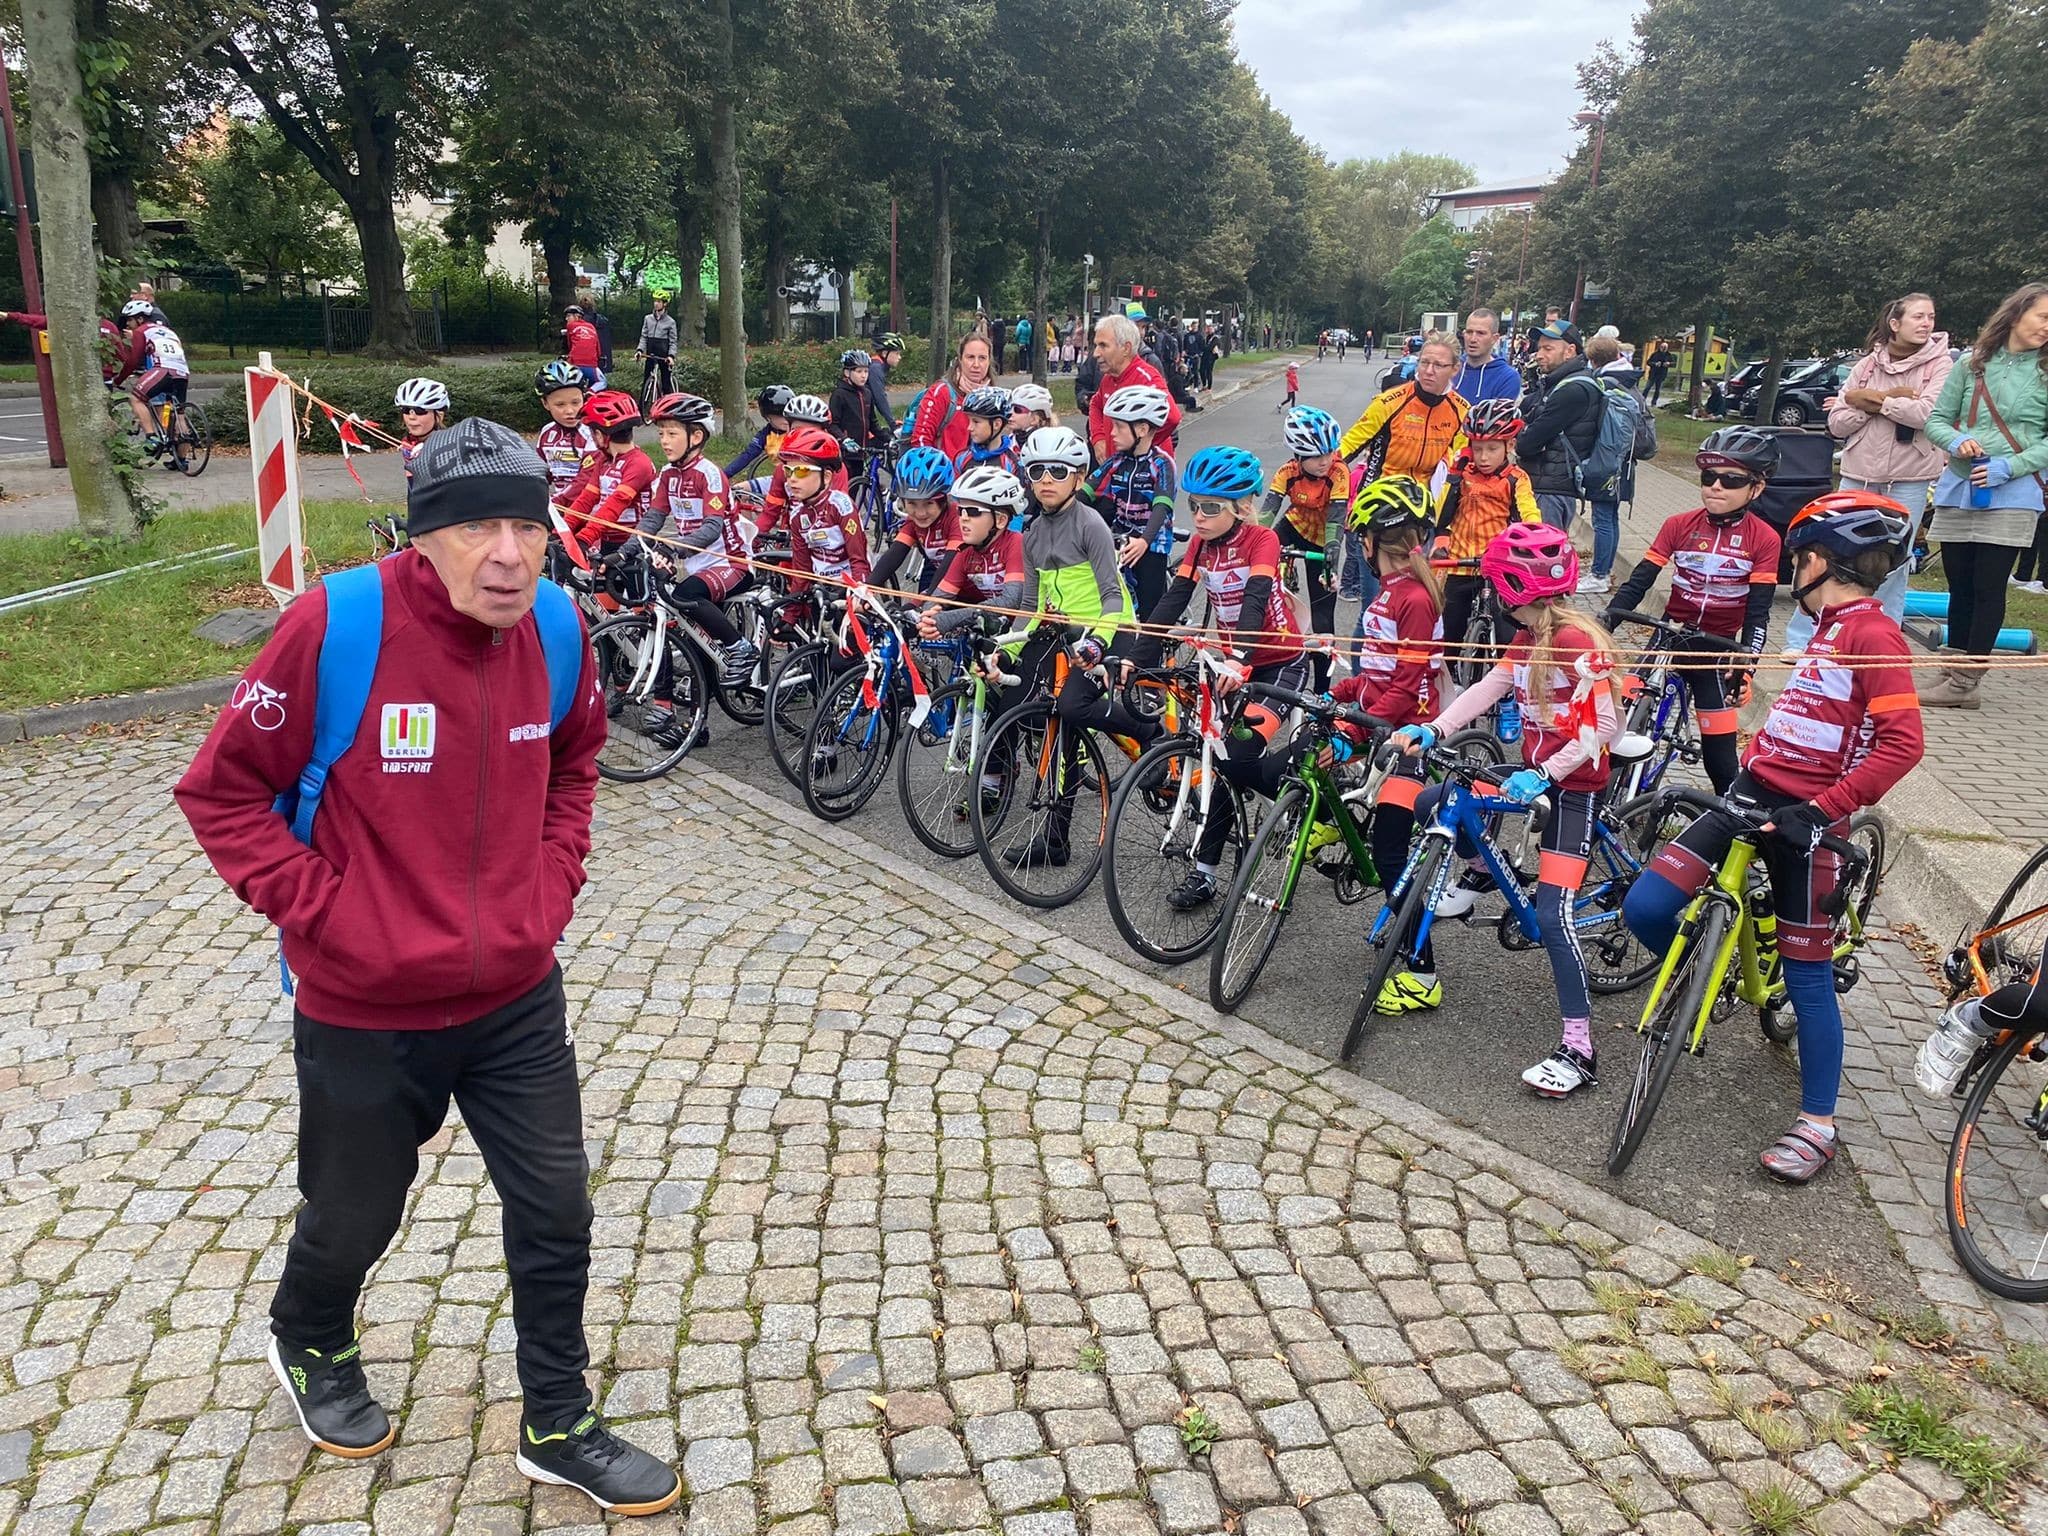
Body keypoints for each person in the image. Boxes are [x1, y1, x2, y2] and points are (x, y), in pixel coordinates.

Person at [172, 416, 682, 1518]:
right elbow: (220, 793)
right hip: (362, 1004)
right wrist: (332, 917)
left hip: (511, 996)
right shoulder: (338, 625)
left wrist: (547, 892)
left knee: (555, 1204)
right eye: (478, 529)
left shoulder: (554, 625)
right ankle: (307, 1334)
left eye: (527, 527)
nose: (508, 554)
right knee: (356, 1209)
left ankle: (557, 1421)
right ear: (423, 538)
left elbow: (577, 764)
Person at [1622, 492, 1924, 1182]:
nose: (1794, 568)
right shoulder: (1825, 625)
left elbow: (1903, 746)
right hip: (1751, 795)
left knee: (1810, 979)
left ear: (1820, 562)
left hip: (1810, 818)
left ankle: (1818, 1123)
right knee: (1645, 907)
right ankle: (1710, 974)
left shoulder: (1872, 634)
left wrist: (1824, 810)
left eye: (1799, 558)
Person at [1395, 524, 1621, 1098]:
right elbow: (1487, 690)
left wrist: (1546, 772)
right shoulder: (1528, 638)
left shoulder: (1572, 642)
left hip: (1574, 790)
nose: (1491, 592)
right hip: (1533, 781)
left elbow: (1605, 727)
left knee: (1551, 916)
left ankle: (1579, 1048)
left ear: (1513, 588)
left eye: (1495, 583)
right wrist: (1434, 727)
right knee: (1437, 800)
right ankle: (1475, 871)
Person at [1126, 445, 1306, 910]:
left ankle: (1299, 797)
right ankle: (1205, 875)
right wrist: (1131, 656)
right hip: (1233, 668)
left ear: (1242, 507)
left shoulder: (1262, 539)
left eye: (1210, 507)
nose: (1199, 517)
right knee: (1222, 762)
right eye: (1193, 506)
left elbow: (1255, 599)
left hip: (1277, 664)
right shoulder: (1202, 544)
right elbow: (1173, 600)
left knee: (1238, 754)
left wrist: (1240, 657)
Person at [1602, 426, 1782, 795]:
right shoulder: (1679, 524)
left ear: (1756, 489)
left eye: (1731, 480)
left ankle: (1728, 827)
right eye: (1708, 477)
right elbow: (1639, 582)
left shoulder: (1764, 538)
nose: (1716, 486)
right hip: (1669, 633)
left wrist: (1746, 668)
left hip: (1716, 648)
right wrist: (1606, 621)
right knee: (1614, 726)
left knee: (1720, 762)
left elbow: (1758, 613)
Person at [1327, 477, 1445, 1013]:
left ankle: (1423, 973)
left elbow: (1406, 684)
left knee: (1391, 850)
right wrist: (1338, 694)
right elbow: (1378, 672)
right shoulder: (1390, 591)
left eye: (1360, 540)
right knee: (1311, 763)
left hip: (1411, 738)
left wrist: (1362, 723)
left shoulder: (1415, 597)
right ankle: (1333, 825)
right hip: (1384, 721)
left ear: (1371, 542)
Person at [994, 426, 1136, 866]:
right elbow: (1033, 604)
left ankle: (1146, 732)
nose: (1047, 479)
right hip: (1064, 636)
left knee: (1071, 709)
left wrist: (1097, 642)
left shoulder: (1090, 523)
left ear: (1078, 476)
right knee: (1049, 722)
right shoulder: (1032, 532)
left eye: (1059, 470)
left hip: (1111, 628)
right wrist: (1006, 649)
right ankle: (1055, 841)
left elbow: (1113, 595)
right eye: (1037, 471)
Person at [1796, 294, 1953, 648]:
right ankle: (1810, 636)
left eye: (1931, 316)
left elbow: (1927, 415)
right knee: (1832, 550)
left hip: (1909, 477)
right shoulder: (1866, 365)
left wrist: (1869, 399)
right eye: (1918, 316)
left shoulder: (1941, 365)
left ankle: (1883, 643)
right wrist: (1881, 403)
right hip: (1859, 471)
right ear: (1894, 323)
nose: (1927, 323)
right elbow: (1837, 423)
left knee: (1894, 561)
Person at [1920, 282, 2048, 708]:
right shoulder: (1972, 364)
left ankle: (1966, 681)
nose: (2047, 328)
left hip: (2014, 489)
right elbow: (1937, 419)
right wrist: (1957, 442)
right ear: (2016, 314)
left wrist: (2008, 466)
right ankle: (1950, 672)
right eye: (2043, 317)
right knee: (1959, 583)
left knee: (1988, 585)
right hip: (1961, 484)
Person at [1337, 333, 1468, 603]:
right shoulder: (1390, 402)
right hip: (1379, 512)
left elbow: (1461, 466)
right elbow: (1347, 448)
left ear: (1456, 368)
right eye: (1424, 362)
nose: (1428, 371)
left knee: (1417, 602)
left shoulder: (1461, 411)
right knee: (1375, 605)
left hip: (1422, 515)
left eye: (1439, 365)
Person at [642, 391, 758, 689]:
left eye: (671, 433)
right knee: (694, 637)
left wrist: (673, 547)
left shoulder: (710, 474)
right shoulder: (668, 474)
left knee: (682, 595)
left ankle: (741, 649)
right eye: (660, 433)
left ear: (695, 436)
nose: (663, 440)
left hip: (732, 562)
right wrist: (627, 551)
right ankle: (699, 721)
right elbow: (652, 519)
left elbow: (711, 528)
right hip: (700, 567)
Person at [1432, 398, 1541, 667]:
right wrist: (1455, 475)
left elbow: (1529, 515)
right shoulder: (1464, 474)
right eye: (1477, 448)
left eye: (1492, 449)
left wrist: (1531, 538)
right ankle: (1448, 685)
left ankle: (1504, 692)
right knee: (1449, 634)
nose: (1483, 457)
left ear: (1510, 446)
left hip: (1497, 567)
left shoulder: (1515, 478)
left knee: (1505, 633)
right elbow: (1441, 512)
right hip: (1458, 564)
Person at [1262, 406, 1351, 690]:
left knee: (1323, 617)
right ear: (1299, 456)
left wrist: (1331, 564)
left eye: (1330, 452)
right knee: (1263, 554)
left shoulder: (1339, 472)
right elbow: (1266, 515)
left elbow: (1336, 522)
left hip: (1325, 538)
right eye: (1317, 456)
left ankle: (1322, 691)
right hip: (1294, 527)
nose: (1326, 460)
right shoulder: (1287, 472)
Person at [1089, 385, 1179, 620]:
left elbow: (1162, 507)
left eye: (1119, 426)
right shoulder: (1116, 461)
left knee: (1150, 614)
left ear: (1142, 429)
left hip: (1151, 542)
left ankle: (1155, 651)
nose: (1112, 434)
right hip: (1120, 538)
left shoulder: (1161, 464)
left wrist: (1144, 541)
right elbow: (1086, 492)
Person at [1515, 318, 1603, 530]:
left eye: (1548, 348)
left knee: (1539, 557)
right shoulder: (1557, 382)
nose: (1539, 354)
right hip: (1546, 483)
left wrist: (1520, 432)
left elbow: (1527, 443)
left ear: (1569, 351)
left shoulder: (1572, 389)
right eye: (1538, 348)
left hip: (1550, 490)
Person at [919, 467, 1027, 640]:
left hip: (1031, 632)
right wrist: (928, 617)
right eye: (960, 510)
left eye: (973, 512)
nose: (963, 518)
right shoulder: (964, 552)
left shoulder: (1016, 543)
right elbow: (939, 597)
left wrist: (951, 619)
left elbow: (1011, 601)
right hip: (996, 631)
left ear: (1000, 520)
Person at [778, 426, 869, 619]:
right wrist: (790, 615)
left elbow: (858, 560)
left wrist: (861, 596)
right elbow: (802, 570)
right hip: (821, 588)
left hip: (851, 585)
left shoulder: (842, 506)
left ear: (826, 477)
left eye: (801, 471)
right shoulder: (797, 516)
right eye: (788, 471)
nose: (792, 479)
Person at [1577, 333, 1641, 593]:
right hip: (1624, 461)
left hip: (1605, 461)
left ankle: (1599, 574)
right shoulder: (1629, 379)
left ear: (1593, 361)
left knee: (1602, 518)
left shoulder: (1605, 384)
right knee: (1610, 518)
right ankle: (1604, 570)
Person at [560, 391, 656, 552]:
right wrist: (561, 530)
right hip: (606, 540)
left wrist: (585, 538)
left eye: (592, 432)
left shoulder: (639, 463)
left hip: (634, 546)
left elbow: (615, 504)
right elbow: (586, 499)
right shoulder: (603, 461)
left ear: (599, 434)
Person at [1088, 314, 1183, 463]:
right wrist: (1098, 438)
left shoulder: (1146, 378)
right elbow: (1095, 404)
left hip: (1147, 477)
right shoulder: (1108, 378)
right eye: (1096, 345)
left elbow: (1172, 417)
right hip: (1116, 471)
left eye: (1103, 346)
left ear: (1126, 348)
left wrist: (1139, 446)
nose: (1096, 353)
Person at [867, 446, 959, 595]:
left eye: (929, 503)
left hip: (970, 593)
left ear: (943, 499)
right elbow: (893, 555)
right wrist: (865, 590)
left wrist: (919, 603)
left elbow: (949, 567)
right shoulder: (913, 521)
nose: (920, 513)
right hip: (942, 582)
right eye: (912, 503)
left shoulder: (957, 518)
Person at [114, 299, 191, 453]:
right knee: (178, 414)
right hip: (182, 372)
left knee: (136, 399)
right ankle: (181, 459)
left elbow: (134, 361)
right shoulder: (170, 332)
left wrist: (119, 379)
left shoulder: (141, 331)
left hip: (163, 369)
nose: (127, 324)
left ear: (140, 319)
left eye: (130, 319)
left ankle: (151, 437)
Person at [908, 332, 995, 460]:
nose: (976, 364)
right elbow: (921, 441)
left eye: (982, 358)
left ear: (989, 361)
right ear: (960, 360)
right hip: (945, 476)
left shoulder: (994, 397)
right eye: (970, 357)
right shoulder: (941, 393)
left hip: (979, 475)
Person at [532, 362, 595, 500]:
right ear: (545, 403)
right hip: (561, 507)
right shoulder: (546, 433)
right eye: (560, 404)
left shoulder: (593, 432)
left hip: (590, 509)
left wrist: (556, 502)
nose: (570, 411)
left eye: (576, 402)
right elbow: (540, 474)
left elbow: (587, 478)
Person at [727, 383, 795, 488]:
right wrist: (723, 475)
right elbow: (747, 455)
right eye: (780, 416)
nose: (786, 420)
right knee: (739, 490)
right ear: (768, 417)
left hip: (806, 479)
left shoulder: (801, 431)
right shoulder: (765, 435)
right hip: (782, 481)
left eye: (789, 415)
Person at [1451, 308, 1520, 404]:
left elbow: (1497, 416)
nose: (1473, 339)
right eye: (1469, 332)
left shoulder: (1507, 377)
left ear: (1494, 338)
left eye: (1480, 333)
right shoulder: (1450, 368)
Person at [830, 349, 890, 458]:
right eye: (859, 371)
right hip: (845, 453)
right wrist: (844, 439)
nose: (863, 376)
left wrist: (888, 439)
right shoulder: (839, 394)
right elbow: (832, 424)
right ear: (847, 373)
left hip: (862, 451)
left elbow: (872, 423)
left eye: (866, 371)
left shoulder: (867, 393)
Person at [951, 386, 1019, 479]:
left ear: (996, 424)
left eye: (976, 422)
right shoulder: (961, 458)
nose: (969, 427)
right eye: (969, 421)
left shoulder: (1011, 462)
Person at [392, 377, 450, 482]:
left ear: (439, 415)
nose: (411, 417)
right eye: (406, 409)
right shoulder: (409, 443)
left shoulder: (452, 447)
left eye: (420, 411)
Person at [635, 291, 677, 400]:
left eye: (659, 301)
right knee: (646, 381)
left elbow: (673, 342)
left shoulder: (670, 322)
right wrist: (639, 350)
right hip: (651, 353)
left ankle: (668, 406)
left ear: (665, 304)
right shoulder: (648, 319)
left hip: (663, 355)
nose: (656, 304)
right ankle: (642, 407)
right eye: (655, 301)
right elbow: (643, 336)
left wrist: (671, 356)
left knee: (665, 384)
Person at [867, 332, 905, 433]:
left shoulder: (877, 365)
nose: (899, 357)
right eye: (897, 353)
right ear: (884, 353)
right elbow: (880, 398)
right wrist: (892, 424)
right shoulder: (875, 369)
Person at [563, 304, 603, 389]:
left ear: (577, 316)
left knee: (572, 384)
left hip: (575, 363)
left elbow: (569, 345)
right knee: (602, 382)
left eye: (568, 316)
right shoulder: (592, 326)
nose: (566, 319)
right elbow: (598, 347)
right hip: (592, 364)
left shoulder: (570, 326)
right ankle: (591, 392)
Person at [1646, 340, 1675, 407]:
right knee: (1647, 388)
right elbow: (1648, 362)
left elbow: (1673, 363)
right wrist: (1655, 364)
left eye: (1665, 347)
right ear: (1660, 347)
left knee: (1657, 389)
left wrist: (1668, 363)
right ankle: (1642, 400)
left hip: (1662, 374)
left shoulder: (1669, 355)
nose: (1663, 348)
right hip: (1653, 374)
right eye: (1662, 347)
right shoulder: (1655, 354)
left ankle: (1654, 402)